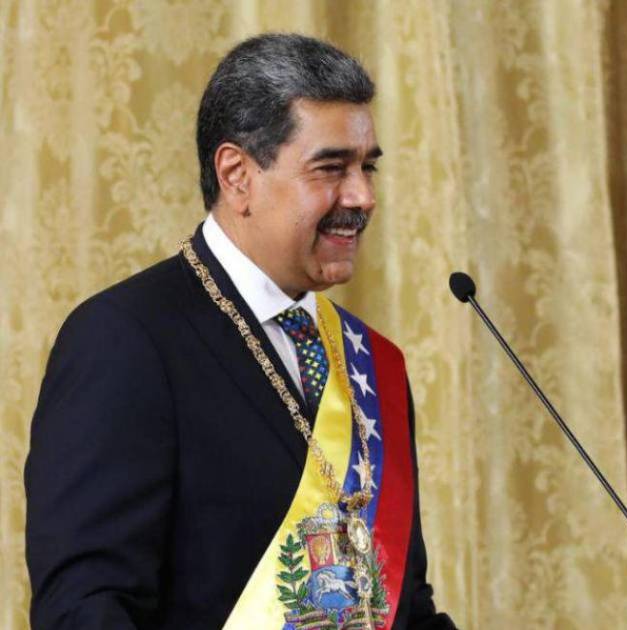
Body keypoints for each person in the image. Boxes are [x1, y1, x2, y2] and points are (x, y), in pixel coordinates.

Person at [24, 33, 456, 630]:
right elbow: (87, 608)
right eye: (331, 168)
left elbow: (404, 605)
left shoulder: (374, 364)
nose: (363, 196)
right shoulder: (125, 340)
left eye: (368, 167)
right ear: (236, 175)